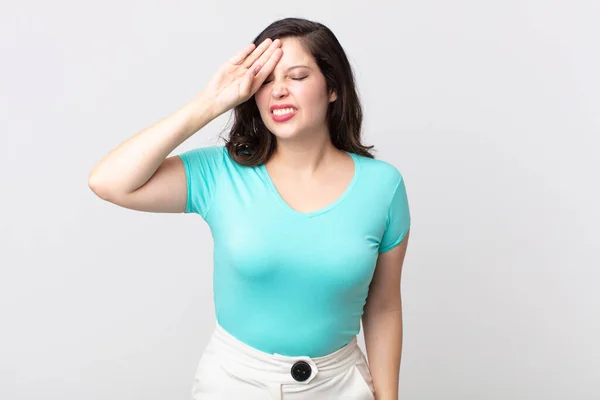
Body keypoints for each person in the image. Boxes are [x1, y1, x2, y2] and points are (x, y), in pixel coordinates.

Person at [89, 17, 410, 400]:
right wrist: (208, 104)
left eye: (297, 76)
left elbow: (384, 305)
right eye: (265, 80)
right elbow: (108, 182)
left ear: (333, 88)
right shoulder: (221, 172)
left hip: (341, 386)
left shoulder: (382, 186)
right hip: (236, 384)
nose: (278, 92)